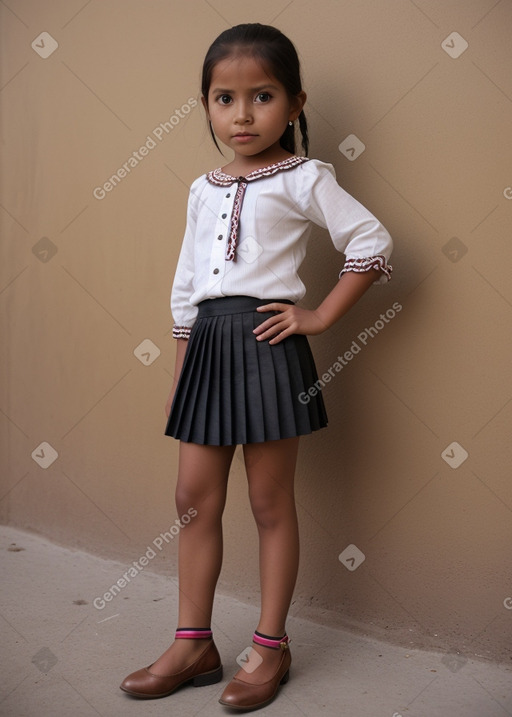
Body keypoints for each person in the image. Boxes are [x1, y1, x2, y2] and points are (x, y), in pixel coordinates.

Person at [120, 22, 393, 711]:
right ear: (207, 105)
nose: (242, 114)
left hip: (269, 348)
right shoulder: (201, 187)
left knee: (270, 502)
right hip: (207, 345)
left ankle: (270, 646)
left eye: (262, 96)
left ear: (295, 104)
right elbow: (186, 288)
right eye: (223, 98)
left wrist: (320, 316)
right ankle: (193, 642)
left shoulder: (304, 177)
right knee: (191, 499)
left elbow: (372, 241)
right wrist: (181, 374)